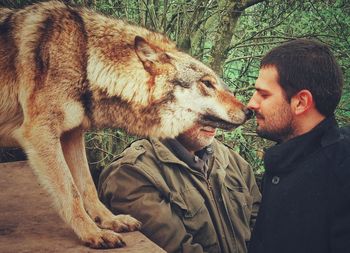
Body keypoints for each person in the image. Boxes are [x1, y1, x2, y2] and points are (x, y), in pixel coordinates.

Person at [247, 39, 350, 253]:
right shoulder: (285, 159)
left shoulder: (342, 175)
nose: (251, 103)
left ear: (301, 102)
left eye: (263, 94)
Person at [98, 123, 261, 253]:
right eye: (204, 109)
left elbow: (262, 231)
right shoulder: (132, 173)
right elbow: (176, 248)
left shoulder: (233, 161)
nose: (216, 120)